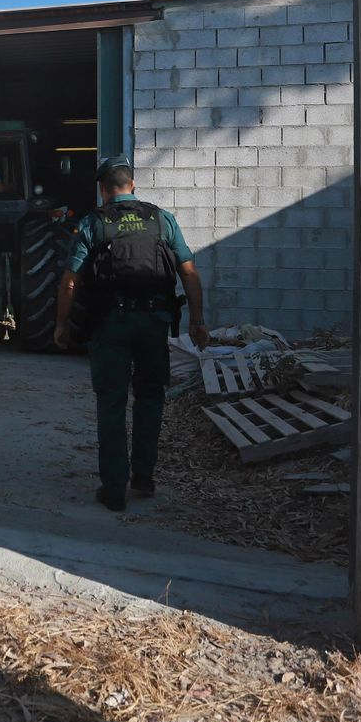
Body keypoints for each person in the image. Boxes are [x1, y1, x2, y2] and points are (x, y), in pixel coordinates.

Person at [53, 155, 208, 512]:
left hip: (110, 324)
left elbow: (70, 281)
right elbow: (189, 272)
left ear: (102, 189)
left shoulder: (95, 223)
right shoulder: (161, 219)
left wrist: (61, 325)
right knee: (150, 398)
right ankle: (143, 477)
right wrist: (197, 321)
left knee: (111, 402)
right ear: (132, 184)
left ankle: (113, 490)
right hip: (154, 323)